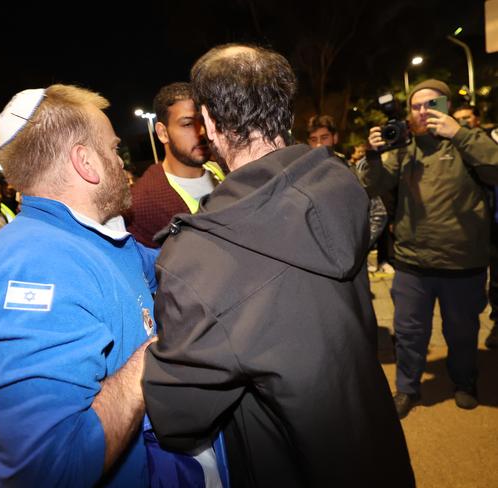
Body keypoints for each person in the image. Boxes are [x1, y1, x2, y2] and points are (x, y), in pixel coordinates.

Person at [142, 43, 414, 487]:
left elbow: (180, 416)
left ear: (209, 121)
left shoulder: (199, 254)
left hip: (291, 466)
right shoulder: (337, 181)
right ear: (284, 109)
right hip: (373, 448)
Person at [0, 85, 160, 487]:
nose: (122, 163)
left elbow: (166, 266)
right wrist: (156, 356)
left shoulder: (89, 236)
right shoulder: (32, 266)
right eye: (113, 149)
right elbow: (48, 470)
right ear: (86, 161)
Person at [359, 79, 498, 418]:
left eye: (431, 104)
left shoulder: (470, 140)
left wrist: (459, 134)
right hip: (412, 263)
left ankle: (465, 382)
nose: (423, 112)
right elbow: (371, 185)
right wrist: (374, 154)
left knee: (462, 332)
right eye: (416, 106)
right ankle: (408, 388)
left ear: (447, 106)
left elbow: (495, 169)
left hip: (462, 262)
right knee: (409, 333)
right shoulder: (404, 147)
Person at [125, 82, 225, 248]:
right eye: (187, 124)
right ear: (163, 133)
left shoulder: (224, 171)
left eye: (203, 122)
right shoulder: (144, 203)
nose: (201, 132)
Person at [452, 105, 498, 349]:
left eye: (466, 118)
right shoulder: (458, 145)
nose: (462, 123)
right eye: (457, 119)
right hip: (488, 225)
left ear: (477, 119)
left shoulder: (487, 141)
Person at [306, 114, 387, 249]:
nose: (319, 144)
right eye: (314, 139)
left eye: (324, 138)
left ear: (335, 138)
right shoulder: (303, 175)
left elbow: (378, 213)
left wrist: (357, 249)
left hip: (350, 258)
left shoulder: (349, 172)